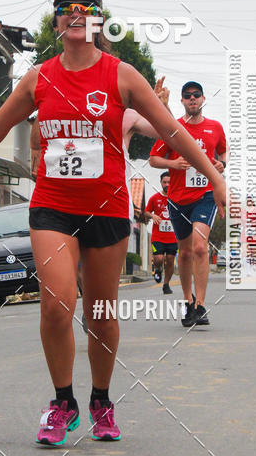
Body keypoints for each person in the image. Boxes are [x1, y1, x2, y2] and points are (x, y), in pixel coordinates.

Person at [0, 0, 226, 447]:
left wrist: (213, 178)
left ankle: (100, 399)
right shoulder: (39, 78)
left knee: (101, 312)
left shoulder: (122, 76)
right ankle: (62, 402)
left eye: (87, 8)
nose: (76, 14)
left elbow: (172, 131)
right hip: (53, 207)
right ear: (56, 22)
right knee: (57, 305)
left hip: (108, 210)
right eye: (66, 9)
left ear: (98, 20)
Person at [30, 76, 173, 332]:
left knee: (101, 278)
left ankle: (96, 309)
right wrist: (35, 157)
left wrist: (162, 106)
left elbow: (167, 130)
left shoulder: (127, 115)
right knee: (74, 265)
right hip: (66, 201)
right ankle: (89, 303)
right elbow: (37, 130)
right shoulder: (64, 106)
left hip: (109, 204)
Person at [149, 81, 227, 327]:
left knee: (200, 247)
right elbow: (153, 159)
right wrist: (174, 164)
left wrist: (221, 165)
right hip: (177, 199)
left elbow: (223, 154)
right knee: (184, 253)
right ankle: (187, 302)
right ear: (181, 101)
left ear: (203, 99)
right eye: (187, 96)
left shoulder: (215, 128)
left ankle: (201, 305)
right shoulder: (174, 128)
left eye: (196, 95)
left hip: (204, 196)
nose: (192, 99)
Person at [144, 171, 178, 294]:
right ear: (161, 182)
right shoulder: (155, 198)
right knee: (158, 258)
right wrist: (153, 216)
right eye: (165, 182)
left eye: (169, 182)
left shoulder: (177, 198)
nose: (167, 184)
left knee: (170, 259)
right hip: (158, 236)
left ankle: (166, 284)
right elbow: (146, 212)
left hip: (173, 237)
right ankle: (158, 269)